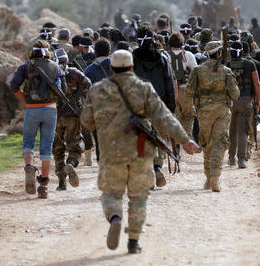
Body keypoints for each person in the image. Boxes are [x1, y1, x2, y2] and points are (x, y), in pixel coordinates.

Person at [81, 49, 199, 254]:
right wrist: (185, 140)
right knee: (139, 196)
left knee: (111, 192)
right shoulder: (143, 88)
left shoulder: (97, 89)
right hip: (140, 150)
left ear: (111, 68)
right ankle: (133, 241)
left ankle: (115, 217)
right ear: (132, 67)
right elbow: (164, 118)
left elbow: (87, 122)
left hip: (110, 152)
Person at [10, 40, 63, 199]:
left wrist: (24, 98)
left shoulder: (25, 66)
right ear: (48, 52)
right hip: (50, 109)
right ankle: (44, 187)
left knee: (28, 143)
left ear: (32, 51)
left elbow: (13, 86)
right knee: (46, 147)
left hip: (32, 109)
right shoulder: (55, 66)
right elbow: (63, 89)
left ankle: (29, 169)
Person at [186, 41, 240, 192]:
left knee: (206, 143)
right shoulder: (226, 71)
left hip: (204, 112)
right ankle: (215, 177)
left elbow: (189, 91)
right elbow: (235, 94)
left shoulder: (197, 70)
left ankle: (209, 178)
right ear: (219, 54)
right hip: (222, 111)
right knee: (220, 142)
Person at [133, 26, 176, 188]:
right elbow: (169, 83)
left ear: (137, 40)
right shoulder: (162, 58)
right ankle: (157, 166)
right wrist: (171, 107)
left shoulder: (132, 58)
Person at [52, 48, 91, 190]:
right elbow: (88, 84)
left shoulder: (51, 73)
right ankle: (71, 163)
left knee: (57, 148)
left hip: (55, 117)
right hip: (73, 116)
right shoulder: (74, 73)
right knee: (74, 146)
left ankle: (61, 182)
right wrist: (78, 96)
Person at [226, 41, 260, 169]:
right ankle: (241, 160)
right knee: (243, 131)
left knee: (232, 130)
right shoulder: (250, 64)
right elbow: (257, 84)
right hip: (246, 101)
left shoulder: (227, 65)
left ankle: (231, 158)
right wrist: (258, 101)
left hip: (231, 102)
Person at [168, 33, 198, 137]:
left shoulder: (166, 55)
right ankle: (188, 139)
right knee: (189, 116)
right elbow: (195, 72)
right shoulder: (188, 55)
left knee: (175, 116)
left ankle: (176, 142)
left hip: (171, 90)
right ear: (182, 42)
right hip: (186, 89)